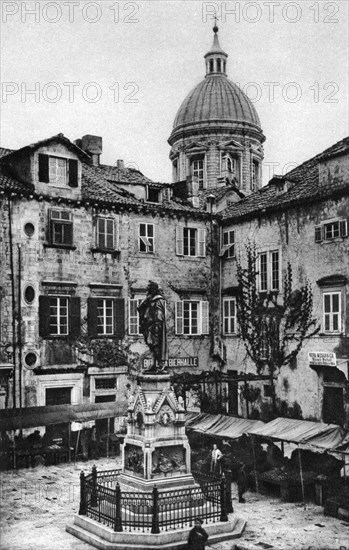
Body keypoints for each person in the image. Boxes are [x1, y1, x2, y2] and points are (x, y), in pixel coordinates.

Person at [138, 281, 168, 373]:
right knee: (152, 346)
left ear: (153, 289)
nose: (147, 290)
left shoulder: (158, 300)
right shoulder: (149, 299)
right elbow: (140, 308)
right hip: (148, 325)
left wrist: (157, 326)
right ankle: (154, 364)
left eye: (149, 288)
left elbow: (159, 314)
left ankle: (160, 365)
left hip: (155, 326)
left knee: (156, 346)